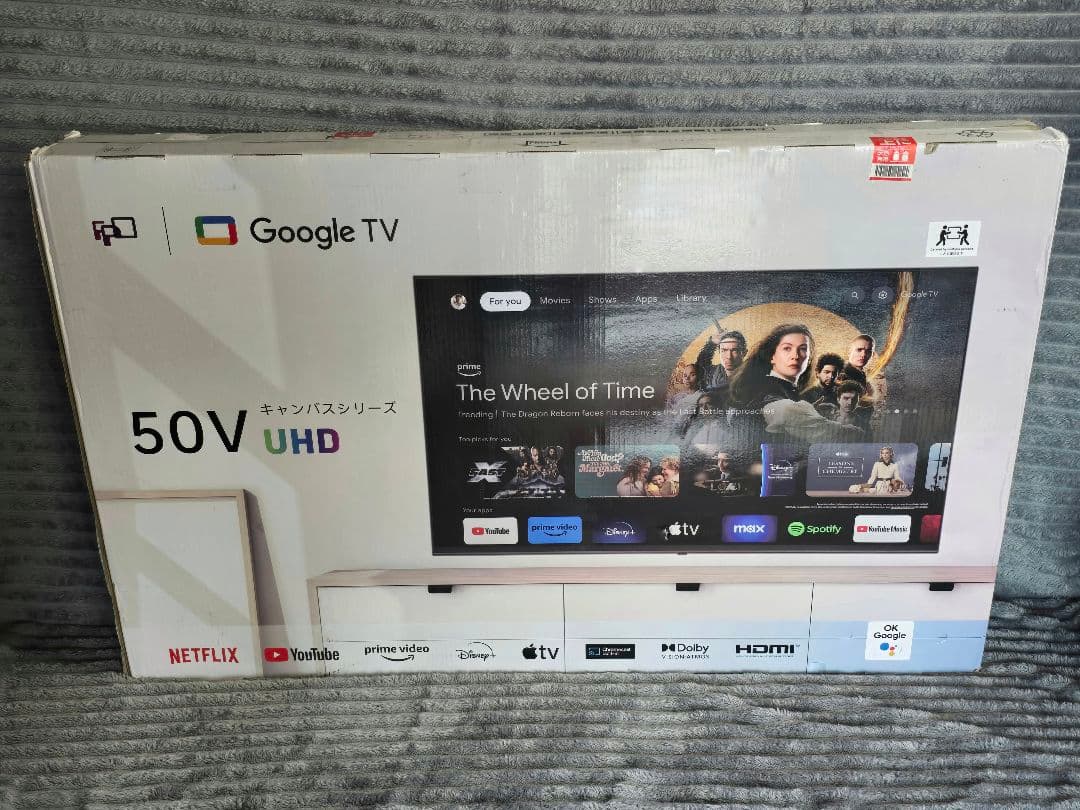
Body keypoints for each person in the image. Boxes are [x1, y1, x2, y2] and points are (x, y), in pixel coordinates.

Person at [728, 323, 862, 444]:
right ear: (772, 356)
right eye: (787, 348)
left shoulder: (771, 389)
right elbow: (843, 435)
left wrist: (809, 412)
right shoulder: (779, 402)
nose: (795, 356)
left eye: (803, 349)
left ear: (809, 358)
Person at [694, 330, 746, 403]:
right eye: (724, 350)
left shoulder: (750, 375)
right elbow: (700, 366)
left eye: (735, 350)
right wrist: (712, 343)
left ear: (744, 353)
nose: (729, 357)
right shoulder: (712, 373)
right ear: (719, 352)